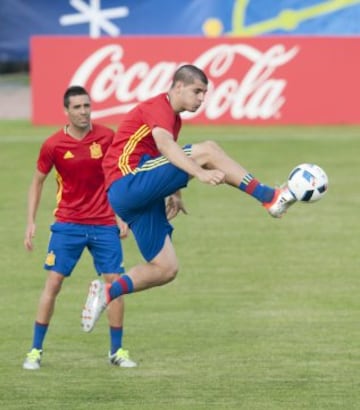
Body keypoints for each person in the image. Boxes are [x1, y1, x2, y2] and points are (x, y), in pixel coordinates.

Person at [81, 64, 296, 332]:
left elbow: (162, 157)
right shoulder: (159, 107)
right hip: (128, 181)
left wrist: (174, 191)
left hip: (136, 195)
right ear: (178, 86)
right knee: (208, 150)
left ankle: (107, 292)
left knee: (166, 268)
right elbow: (165, 146)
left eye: (204, 93)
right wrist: (199, 172)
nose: (201, 99)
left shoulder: (174, 118)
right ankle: (270, 197)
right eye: (197, 91)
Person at [23, 86, 136, 370]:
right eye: (77, 107)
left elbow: (119, 174)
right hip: (68, 224)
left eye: (87, 106)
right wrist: (31, 221)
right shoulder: (53, 145)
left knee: (116, 285)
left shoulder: (107, 137)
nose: (84, 111)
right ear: (66, 111)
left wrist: (121, 215)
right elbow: (37, 181)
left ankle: (117, 351)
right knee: (54, 283)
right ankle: (35, 351)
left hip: (104, 223)